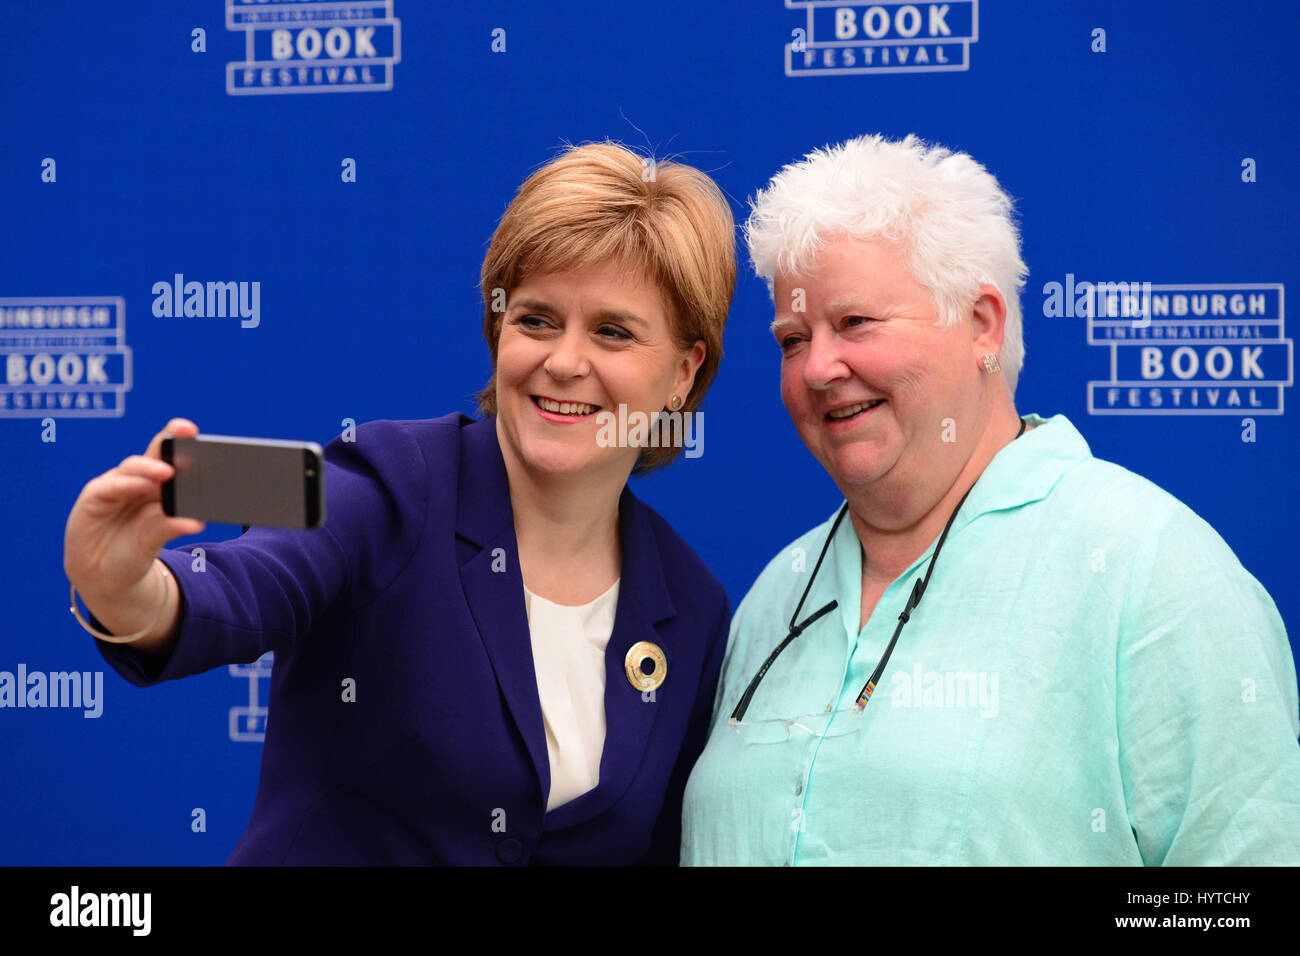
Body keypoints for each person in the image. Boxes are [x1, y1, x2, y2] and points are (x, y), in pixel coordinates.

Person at [64, 141, 736, 866]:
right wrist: (129, 588)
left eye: (611, 331)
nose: (564, 361)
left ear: (683, 371)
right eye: (536, 319)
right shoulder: (389, 481)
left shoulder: (690, 607)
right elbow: (250, 582)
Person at [680, 133, 1300, 865]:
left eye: (855, 323)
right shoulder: (774, 598)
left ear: (982, 324)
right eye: (791, 339)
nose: (817, 368)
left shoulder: (1150, 570)